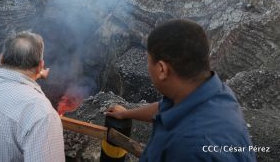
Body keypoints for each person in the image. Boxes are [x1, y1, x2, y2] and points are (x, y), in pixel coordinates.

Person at [106, 19, 256, 162]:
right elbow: (164, 108)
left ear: (162, 69)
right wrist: (126, 113)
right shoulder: (216, 93)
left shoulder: (187, 149)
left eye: (148, 61)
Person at [0, 31, 65, 162]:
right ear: (40, 65)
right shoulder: (42, 114)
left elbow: (14, 76)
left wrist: (37, 73)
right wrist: (36, 72)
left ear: (1, 59)